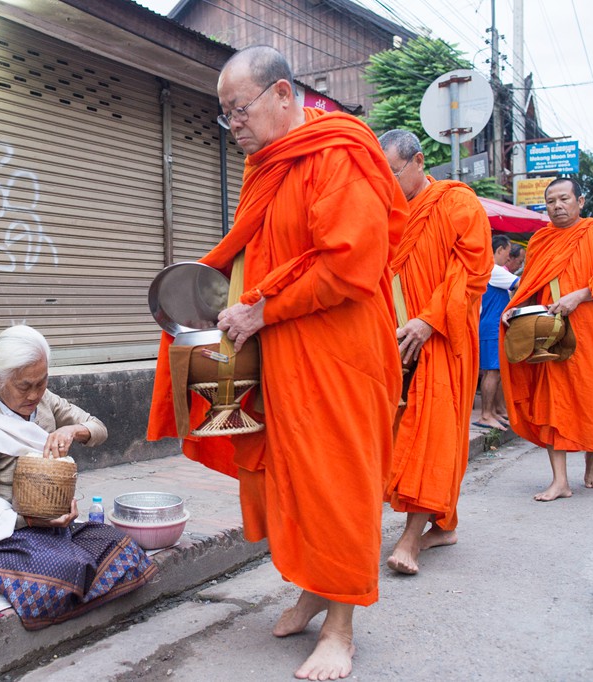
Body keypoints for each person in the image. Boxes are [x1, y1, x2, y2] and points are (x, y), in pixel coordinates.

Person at [147, 46, 407, 680]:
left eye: (240, 109)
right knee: (295, 481)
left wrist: (261, 311)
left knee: (338, 484)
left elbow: (350, 263)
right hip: (284, 352)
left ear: (284, 95)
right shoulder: (269, 167)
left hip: (340, 355)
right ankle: (315, 590)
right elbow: (255, 258)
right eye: (225, 115)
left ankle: (342, 629)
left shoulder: (336, 153)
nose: (232, 124)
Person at [0, 325, 156, 630]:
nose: (34, 394)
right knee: (66, 571)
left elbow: (98, 429)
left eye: (41, 383)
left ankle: (15, 567)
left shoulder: (44, 401)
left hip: (47, 527)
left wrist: (71, 430)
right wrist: (31, 520)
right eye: (24, 386)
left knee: (124, 549)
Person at [377, 130, 493, 576]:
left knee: (433, 435)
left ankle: (412, 539)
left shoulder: (457, 203)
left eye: (392, 173)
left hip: (441, 337)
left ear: (419, 161)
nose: (385, 184)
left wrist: (428, 321)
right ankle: (442, 525)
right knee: (389, 434)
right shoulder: (383, 212)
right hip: (391, 339)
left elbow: (471, 272)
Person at [500, 178, 593, 501]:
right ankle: (559, 481)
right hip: (549, 331)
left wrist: (580, 295)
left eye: (564, 199)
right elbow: (529, 283)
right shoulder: (541, 240)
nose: (557, 206)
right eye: (551, 201)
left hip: (587, 329)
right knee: (551, 400)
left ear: (580, 202)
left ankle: (592, 458)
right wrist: (515, 310)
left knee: (589, 396)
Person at [477, 235, 520, 431]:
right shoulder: (494, 270)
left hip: (491, 326)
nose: (508, 258)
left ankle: (492, 412)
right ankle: (486, 414)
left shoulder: (489, 269)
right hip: (492, 327)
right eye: (508, 253)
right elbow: (520, 284)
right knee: (492, 372)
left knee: (493, 371)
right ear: (500, 250)